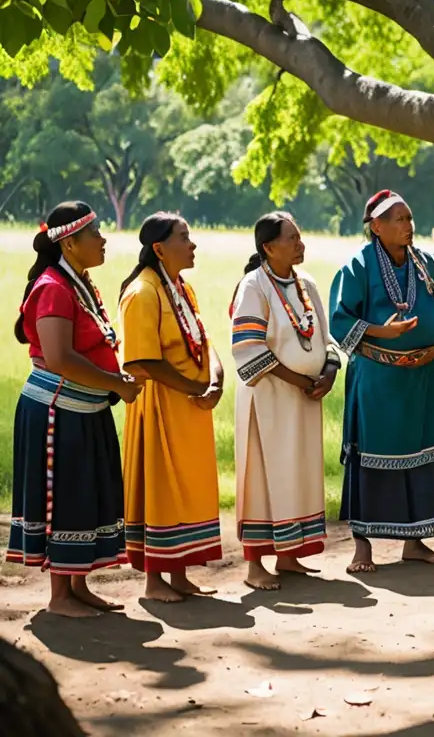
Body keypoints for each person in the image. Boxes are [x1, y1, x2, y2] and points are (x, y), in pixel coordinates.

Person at [6, 202, 142, 618]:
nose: (103, 240)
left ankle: (78, 584)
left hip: (86, 409)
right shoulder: (53, 287)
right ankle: (59, 596)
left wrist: (111, 384)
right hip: (56, 413)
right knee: (64, 497)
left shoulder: (80, 284)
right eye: (95, 233)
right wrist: (117, 383)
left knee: (86, 496)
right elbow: (60, 357)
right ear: (70, 242)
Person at [329, 189, 434, 573]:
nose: (409, 226)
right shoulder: (357, 265)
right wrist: (382, 334)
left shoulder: (428, 263)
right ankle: (362, 548)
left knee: (421, 455)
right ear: (377, 226)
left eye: (409, 218)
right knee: (369, 457)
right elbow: (340, 322)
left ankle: (415, 543)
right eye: (400, 219)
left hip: (423, 377)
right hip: (376, 379)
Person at [231, 212, 341, 590]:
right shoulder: (254, 286)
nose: (300, 243)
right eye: (292, 238)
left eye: (300, 236)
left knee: (297, 472)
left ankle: (289, 556)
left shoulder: (306, 283)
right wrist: (298, 379)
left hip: (305, 399)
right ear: (268, 247)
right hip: (268, 400)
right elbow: (248, 348)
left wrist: (328, 372)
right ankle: (255, 566)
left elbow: (327, 338)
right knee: (263, 475)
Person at [119, 213, 224, 603]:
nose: (192, 244)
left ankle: (177, 573)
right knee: (160, 489)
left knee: (185, 488)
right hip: (160, 408)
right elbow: (142, 362)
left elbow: (203, 337)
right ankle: (154, 581)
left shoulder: (183, 288)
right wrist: (196, 386)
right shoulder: (142, 293)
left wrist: (215, 379)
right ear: (159, 248)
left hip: (190, 409)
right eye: (184, 237)